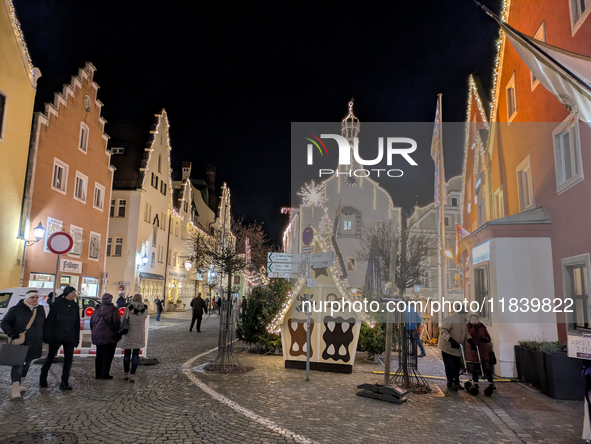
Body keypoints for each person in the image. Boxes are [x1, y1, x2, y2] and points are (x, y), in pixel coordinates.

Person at [1, 289, 45, 399]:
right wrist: (11, 333)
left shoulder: (40, 309)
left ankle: (21, 383)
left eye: (36, 297)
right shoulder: (16, 309)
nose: (35, 299)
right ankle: (15, 388)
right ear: (26, 298)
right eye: (32, 297)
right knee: (18, 364)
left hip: (35, 342)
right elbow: (4, 322)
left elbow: (43, 323)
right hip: (21, 341)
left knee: (28, 363)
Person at [40, 286, 80, 390]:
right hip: (56, 336)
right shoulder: (57, 304)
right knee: (50, 357)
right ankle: (43, 378)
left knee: (68, 360)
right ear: (67, 293)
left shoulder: (75, 306)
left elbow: (76, 323)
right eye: (73, 293)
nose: (74, 294)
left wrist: (76, 338)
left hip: (69, 337)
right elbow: (49, 321)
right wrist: (48, 336)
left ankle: (64, 382)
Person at [438, 307, 470, 391]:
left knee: (457, 366)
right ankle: (450, 382)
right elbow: (443, 330)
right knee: (450, 365)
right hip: (448, 347)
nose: (466, 315)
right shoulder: (451, 318)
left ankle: (456, 382)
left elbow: (466, 332)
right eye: (465, 314)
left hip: (458, 347)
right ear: (461, 313)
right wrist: (450, 339)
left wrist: (470, 339)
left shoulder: (463, 321)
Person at [90, 293, 121, 380]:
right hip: (110, 336)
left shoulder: (97, 309)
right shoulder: (114, 310)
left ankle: (98, 374)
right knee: (108, 355)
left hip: (97, 335)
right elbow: (117, 323)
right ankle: (105, 374)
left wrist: (94, 332)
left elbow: (92, 322)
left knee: (99, 354)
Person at [119, 294, 148, 383]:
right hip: (139, 334)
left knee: (127, 355)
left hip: (129, 332)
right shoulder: (145, 309)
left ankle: (126, 373)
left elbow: (123, 319)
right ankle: (132, 375)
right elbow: (145, 318)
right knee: (136, 355)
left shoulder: (129, 307)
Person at [464, 313, 494, 396]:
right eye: (472, 320)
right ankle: (475, 383)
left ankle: (491, 382)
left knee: (487, 367)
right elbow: (470, 335)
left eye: (475, 319)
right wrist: (473, 327)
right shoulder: (469, 327)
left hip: (483, 350)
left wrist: (485, 338)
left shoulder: (482, 327)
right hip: (474, 351)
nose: (474, 321)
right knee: (476, 368)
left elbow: (488, 338)